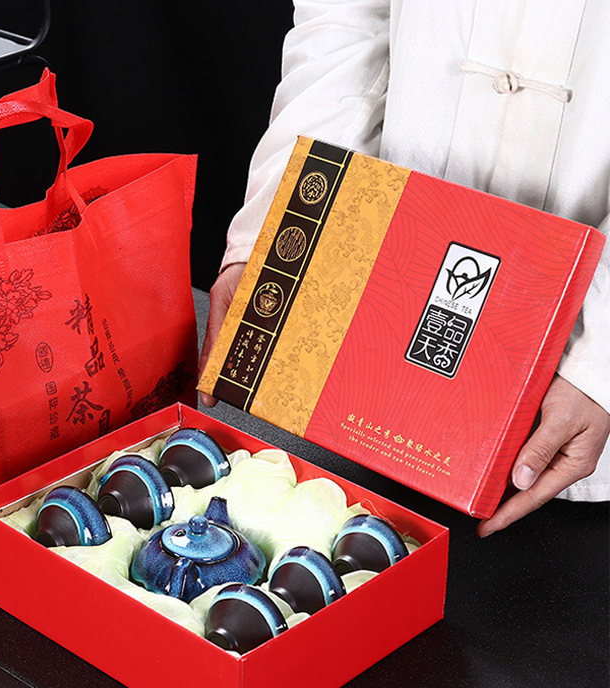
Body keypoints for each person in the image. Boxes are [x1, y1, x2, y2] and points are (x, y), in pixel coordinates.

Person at [199, 0, 610, 536]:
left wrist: (596, 364)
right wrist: (282, 233)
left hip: (577, 414)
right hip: (367, 351)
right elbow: (347, 21)